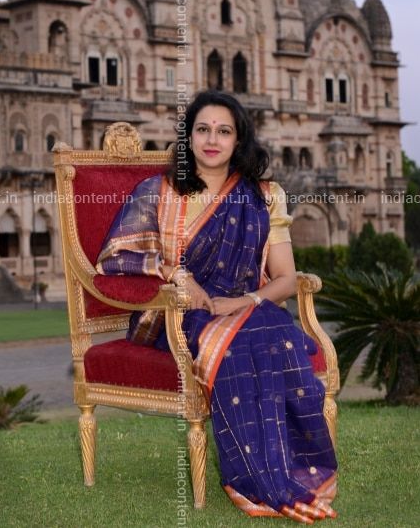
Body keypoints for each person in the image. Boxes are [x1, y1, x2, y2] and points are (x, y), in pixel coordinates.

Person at [96, 90, 338, 523]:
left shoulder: (263, 196)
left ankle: (292, 472)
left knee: (272, 332)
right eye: (202, 129)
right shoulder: (157, 192)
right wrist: (178, 275)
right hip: (174, 316)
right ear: (188, 139)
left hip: (245, 308)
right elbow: (114, 260)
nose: (212, 139)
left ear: (238, 139)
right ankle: (260, 482)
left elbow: (284, 278)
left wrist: (242, 301)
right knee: (256, 339)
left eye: (224, 131)